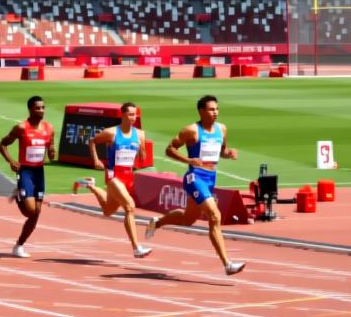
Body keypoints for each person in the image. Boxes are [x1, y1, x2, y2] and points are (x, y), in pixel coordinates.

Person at [145, 95, 245, 276]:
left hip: (210, 178)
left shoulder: (221, 129)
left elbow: (221, 152)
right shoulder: (191, 131)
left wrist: (229, 153)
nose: (215, 112)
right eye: (211, 109)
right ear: (201, 111)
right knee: (214, 215)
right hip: (194, 177)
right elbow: (170, 149)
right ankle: (227, 264)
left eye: (217, 109)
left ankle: (157, 222)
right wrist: (188, 159)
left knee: (187, 219)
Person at [74, 101, 152, 258]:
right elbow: (92, 141)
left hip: (128, 176)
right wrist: (96, 159)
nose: (133, 117)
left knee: (108, 211)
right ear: (122, 115)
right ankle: (137, 248)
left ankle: (91, 185)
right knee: (130, 206)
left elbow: (142, 153)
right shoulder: (111, 133)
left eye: (135, 114)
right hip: (113, 175)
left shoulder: (140, 134)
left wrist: (142, 152)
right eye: (130, 114)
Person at [0, 95, 56, 258]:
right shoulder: (21, 128)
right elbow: (2, 144)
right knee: (30, 211)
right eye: (38, 108)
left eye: (43, 107)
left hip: (39, 172)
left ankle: (19, 245)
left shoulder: (49, 128)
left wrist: (52, 153)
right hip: (25, 171)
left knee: (36, 214)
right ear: (30, 109)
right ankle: (18, 194)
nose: (41, 110)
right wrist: (11, 161)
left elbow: (51, 151)